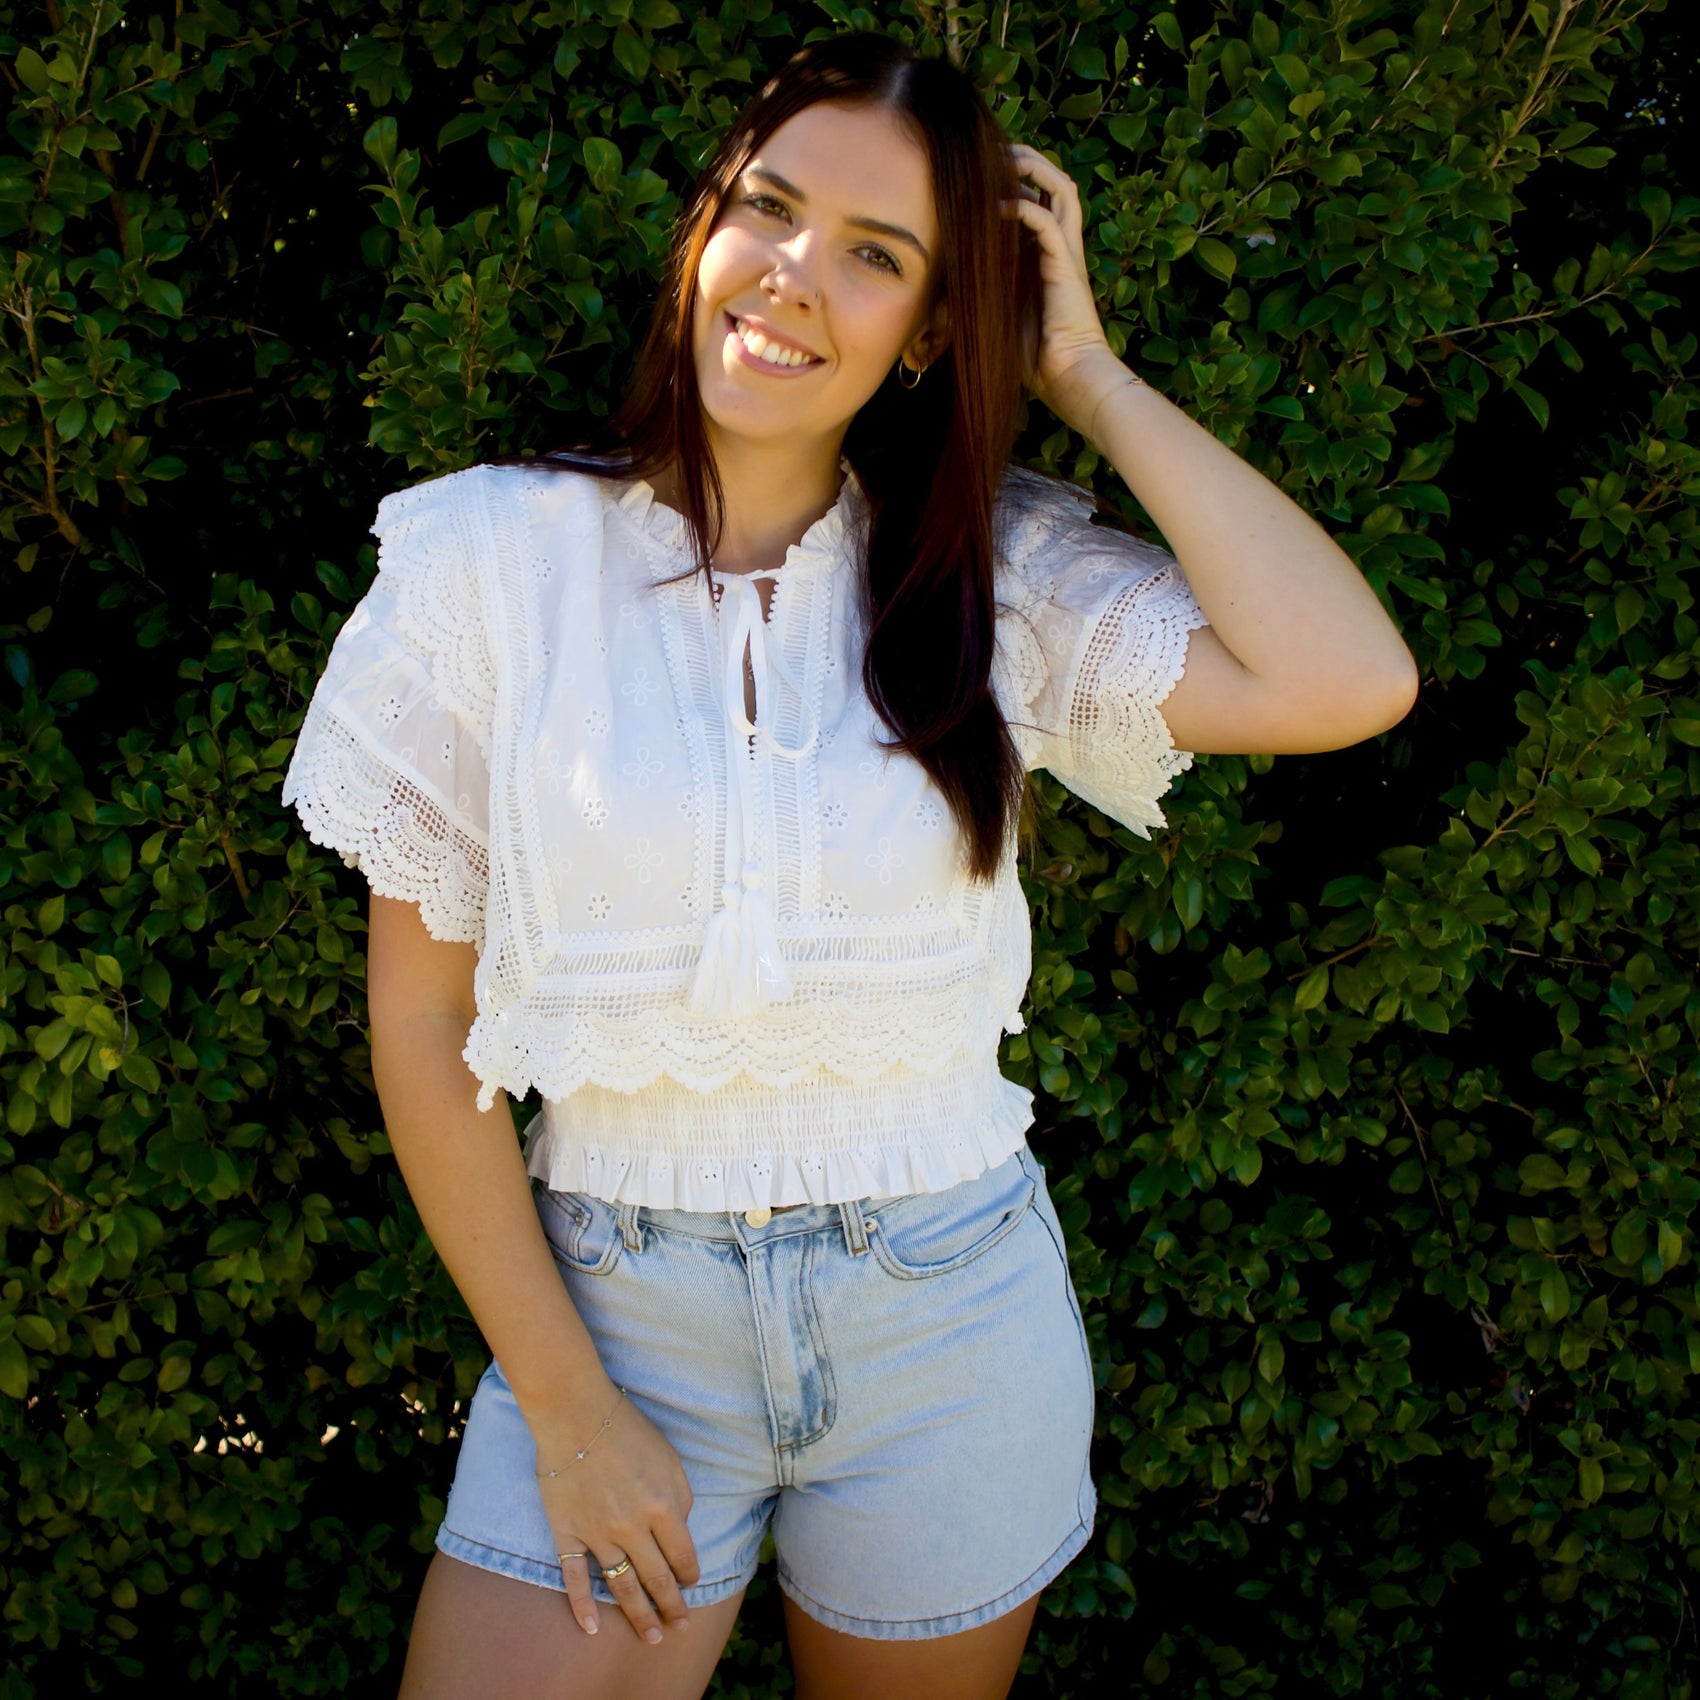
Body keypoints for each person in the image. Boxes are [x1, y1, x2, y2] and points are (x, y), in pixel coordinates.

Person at [281, 30, 1417, 1700]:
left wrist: (1085, 372)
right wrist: (574, 1413)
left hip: (949, 1322)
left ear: (934, 330)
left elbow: (1347, 678)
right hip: (612, 1323)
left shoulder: (990, 578)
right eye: (771, 207)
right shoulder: (485, 563)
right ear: (704, 228)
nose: (797, 276)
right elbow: (424, 1030)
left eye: (877, 256)